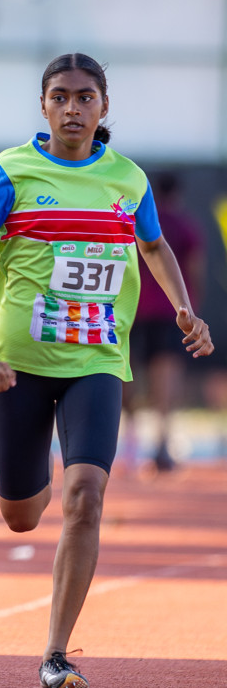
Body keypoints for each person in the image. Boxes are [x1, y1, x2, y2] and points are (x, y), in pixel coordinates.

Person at [0, 53, 213, 688]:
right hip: (16, 366)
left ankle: (56, 653)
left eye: (85, 97)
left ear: (104, 106)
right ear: (43, 106)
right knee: (21, 515)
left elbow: (152, 244)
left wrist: (183, 308)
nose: (72, 108)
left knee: (86, 495)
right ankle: (26, 485)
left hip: (96, 361)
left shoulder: (127, 180)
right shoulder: (8, 175)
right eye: (60, 96)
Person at [122, 172, 203, 472]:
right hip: (172, 311)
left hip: (135, 308)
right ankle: (161, 440)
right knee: (165, 375)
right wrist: (192, 304)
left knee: (125, 373)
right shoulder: (184, 224)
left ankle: (131, 438)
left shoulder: (141, 220)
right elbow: (195, 266)